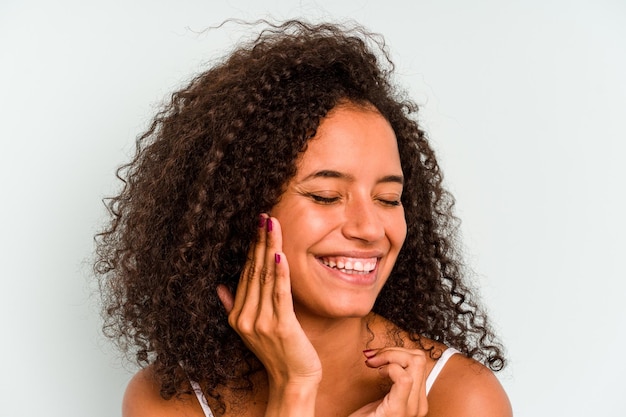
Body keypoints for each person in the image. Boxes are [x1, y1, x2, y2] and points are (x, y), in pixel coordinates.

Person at [95, 20, 512, 417]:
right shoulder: (171, 400)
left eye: (388, 198)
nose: (369, 229)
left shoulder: (461, 396)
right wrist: (293, 387)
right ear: (241, 208)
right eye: (326, 196)